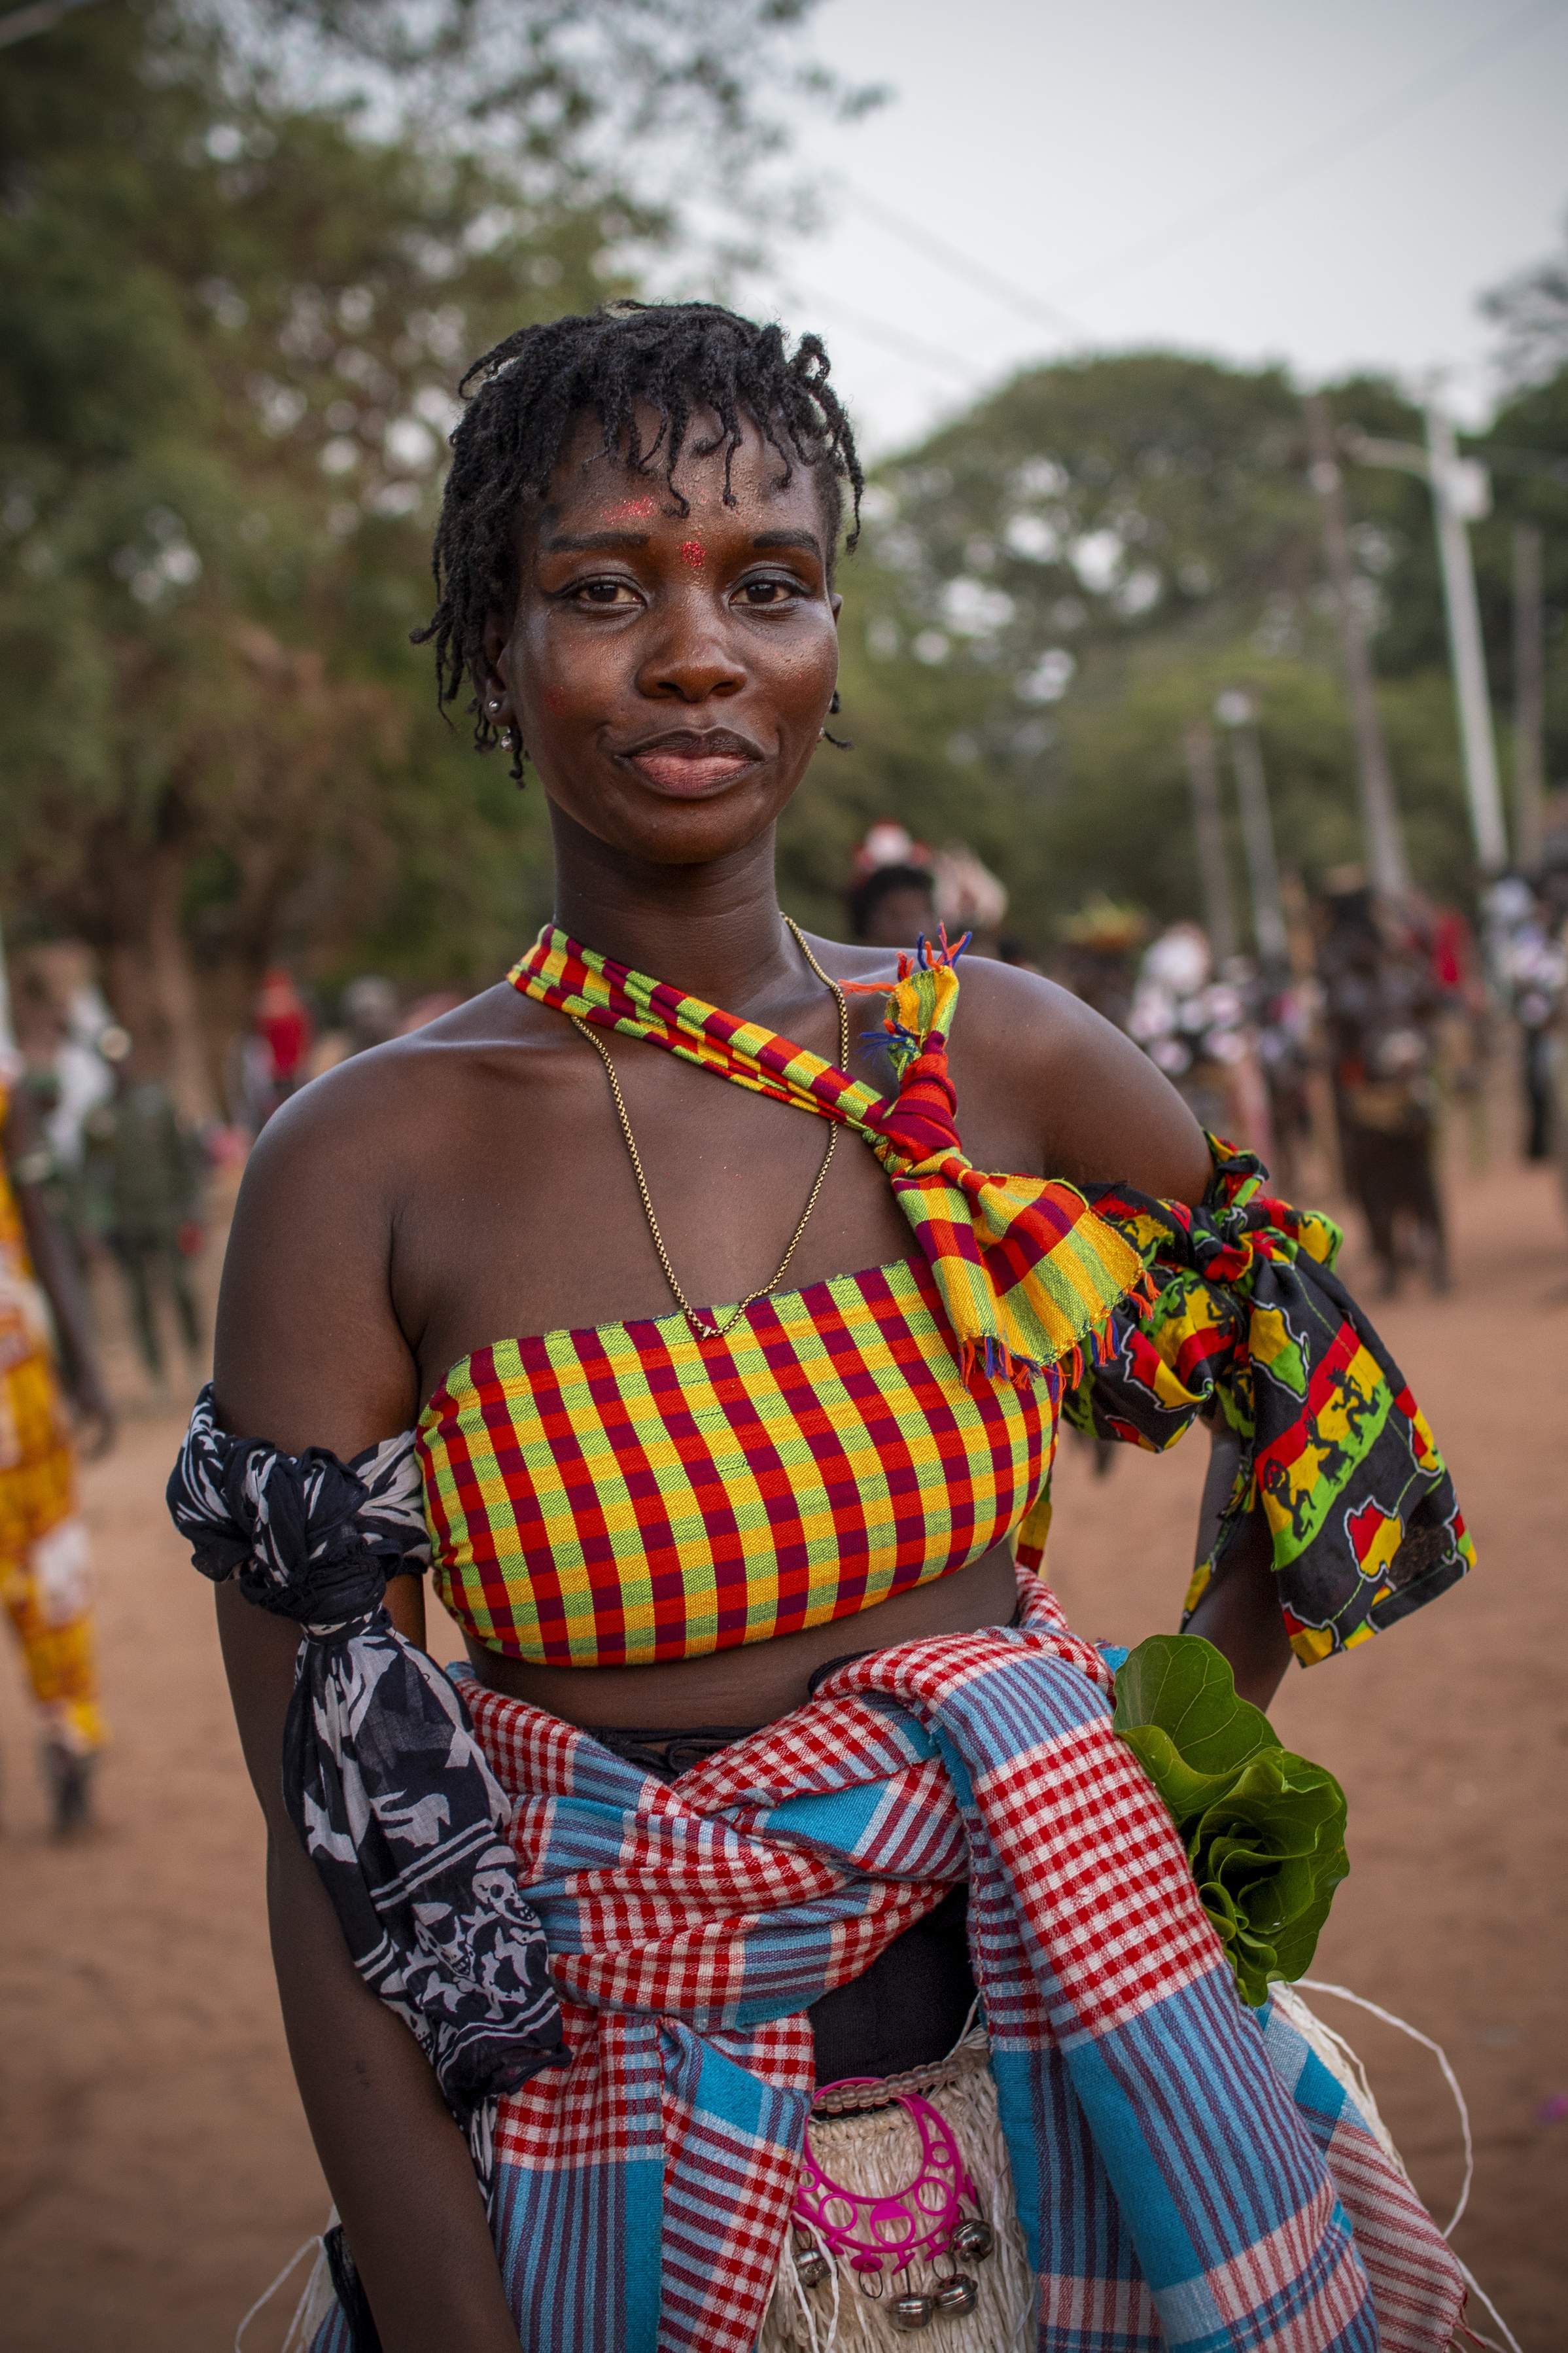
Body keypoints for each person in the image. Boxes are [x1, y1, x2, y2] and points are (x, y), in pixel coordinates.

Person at [173, 305, 1472, 2353]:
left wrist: (1145, 1768)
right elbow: (330, 1825)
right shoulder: (366, 1166)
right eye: (601, 588)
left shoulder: (1004, 1061)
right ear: (493, 648)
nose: (696, 651)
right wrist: (450, 2317)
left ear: (829, 641)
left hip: (1085, 2079)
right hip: (603, 2141)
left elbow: (1307, 1391)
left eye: (765, 586)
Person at [1, 1055, 116, 1833]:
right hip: (14, 1385)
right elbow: (39, 1221)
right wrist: (86, 1367)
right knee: (46, 1563)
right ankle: (69, 1731)